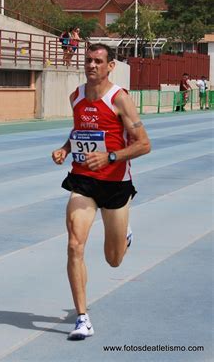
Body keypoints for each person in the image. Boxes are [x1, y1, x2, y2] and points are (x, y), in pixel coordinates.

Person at [51, 43, 151, 340]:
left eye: (98, 61)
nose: (91, 65)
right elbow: (78, 130)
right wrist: (65, 148)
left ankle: (124, 233)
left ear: (110, 67)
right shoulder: (76, 96)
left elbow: (144, 144)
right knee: (74, 244)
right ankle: (82, 318)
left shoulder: (120, 99)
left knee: (114, 259)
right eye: (88, 60)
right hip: (82, 179)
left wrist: (110, 156)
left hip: (116, 183)